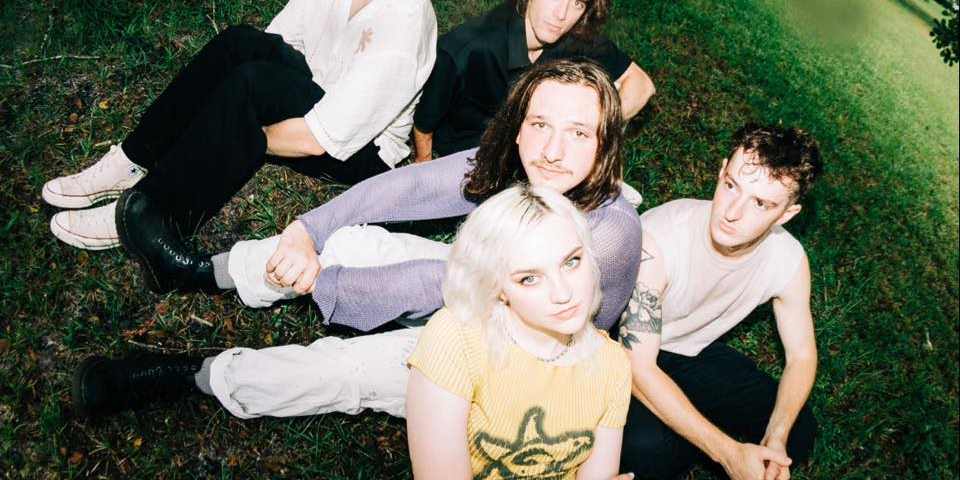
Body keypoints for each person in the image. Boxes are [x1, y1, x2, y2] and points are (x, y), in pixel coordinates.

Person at [71, 59, 644, 421]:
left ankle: (192, 375)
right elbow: (409, 187)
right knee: (349, 239)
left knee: (344, 370)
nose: (552, 150)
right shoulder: (519, 163)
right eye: (540, 125)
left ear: (604, 143)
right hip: (471, 287)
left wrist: (333, 285)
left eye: (578, 133)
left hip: (512, 363)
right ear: (518, 127)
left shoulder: (608, 235)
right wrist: (309, 230)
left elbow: (446, 287)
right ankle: (199, 272)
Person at [42, 0, 438, 258]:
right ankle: (133, 159)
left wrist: (231, 128)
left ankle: (154, 211)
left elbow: (318, 140)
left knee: (251, 87)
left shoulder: (403, 23)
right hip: (321, 91)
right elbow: (276, 40)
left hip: (359, 149)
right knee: (239, 44)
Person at [617, 124, 823, 480]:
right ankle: (695, 438)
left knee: (799, 428)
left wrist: (776, 438)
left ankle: (698, 431)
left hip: (689, 352)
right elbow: (637, 367)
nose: (732, 212)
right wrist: (727, 453)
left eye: (760, 203)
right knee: (649, 451)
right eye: (731, 186)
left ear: (786, 215)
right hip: (622, 351)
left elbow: (802, 355)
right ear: (722, 171)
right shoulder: (661, 238)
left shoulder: (788, 259)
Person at [406, 185, 632, 479]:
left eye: (571, 262)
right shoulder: (456, 338)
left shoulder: (613, 365)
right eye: (529, 278)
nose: (563, 293)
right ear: (498, 287)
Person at [411, 0, 655, 163]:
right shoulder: (468, 48)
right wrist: (424, 164)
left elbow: (641, 85)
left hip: (537, 138)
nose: (561, 15)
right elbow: (424, 123)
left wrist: (590, 129)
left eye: (577, 3)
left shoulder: (573, 36)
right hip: (470, 148)